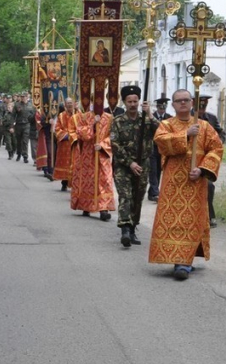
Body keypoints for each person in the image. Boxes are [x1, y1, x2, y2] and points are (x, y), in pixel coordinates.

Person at [149, 89, 224, 280]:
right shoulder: (166, 125)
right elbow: (161, 142)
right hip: (173, 183)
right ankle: (177, 258)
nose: (183, 103)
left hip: (195, 181)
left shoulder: (205, 126)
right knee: (174, 220)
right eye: (178, 101)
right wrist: (186, 134)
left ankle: (185, 261)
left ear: (192, 103)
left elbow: (216, 148)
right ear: (173, 105)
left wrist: (202, 169)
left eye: (186, 100)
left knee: (191, 220)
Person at [111, 85, 159, 247]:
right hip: (123, 166)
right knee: (125, 196)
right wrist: (130, 163)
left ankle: (132, 228)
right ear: (124, 102)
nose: (132, 104)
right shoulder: (118, 121)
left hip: (143, 165)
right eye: (129, 101)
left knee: (138, 198)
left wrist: (149, 114)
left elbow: (161, 132)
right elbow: (115, 144)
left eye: (135, 101)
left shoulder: (145, 120)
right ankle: (124, 228)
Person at [69, 96, 115, 220]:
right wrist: (92, 124)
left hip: (102, 155)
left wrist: (103, 144)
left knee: (104, 180)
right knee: (88, 180)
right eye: (95, 101)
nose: (98, 103)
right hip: (88, 155)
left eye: (100, 101)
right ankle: (86, 206)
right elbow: (80, 133)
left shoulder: (110, 118)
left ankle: (103, 208)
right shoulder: (85, 117)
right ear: (92, 102)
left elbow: (114, 136)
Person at [197, 94, 225, 228]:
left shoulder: (211, 118)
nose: (202, 109)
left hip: (207, 158)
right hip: (191, 158)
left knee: (208, 185)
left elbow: (221, 133)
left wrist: (218, 143)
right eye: (199, 106)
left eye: (204, 106)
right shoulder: (188, 118)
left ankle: (210, 215)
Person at [148, 97, 172, 201]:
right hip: (152, 147)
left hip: (163, 148)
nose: (162, 110)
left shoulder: (169, 118)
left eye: (164, 108)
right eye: (160, 107)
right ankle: (155, 192)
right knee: (153, 170)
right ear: (157, 107)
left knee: (158, 170)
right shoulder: (150, 117)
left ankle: (151, 192)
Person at [53, 97, 76, 191]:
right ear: (65, 105)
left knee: (75, 164)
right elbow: (57, 129)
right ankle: (64, 183)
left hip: (75, 143)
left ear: (74, 104)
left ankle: (75, 184)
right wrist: (67, 135)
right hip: (65, 145)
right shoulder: (61, 116)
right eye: (68, 103)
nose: (70, 105)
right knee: (65, 164)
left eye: (71, 103)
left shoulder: (78, 115)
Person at [13, 92, 33, 164]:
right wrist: (12, 125)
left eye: (24, 97)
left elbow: (33, 115)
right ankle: (18, 154)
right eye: (22, 97)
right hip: (18, 125)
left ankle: (25, 156)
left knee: (25, 141)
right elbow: (13, 115)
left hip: (27, 125)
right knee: (18, 141)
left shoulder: (30, 105)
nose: (23, 98)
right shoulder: (17, 105)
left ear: (27, 97)